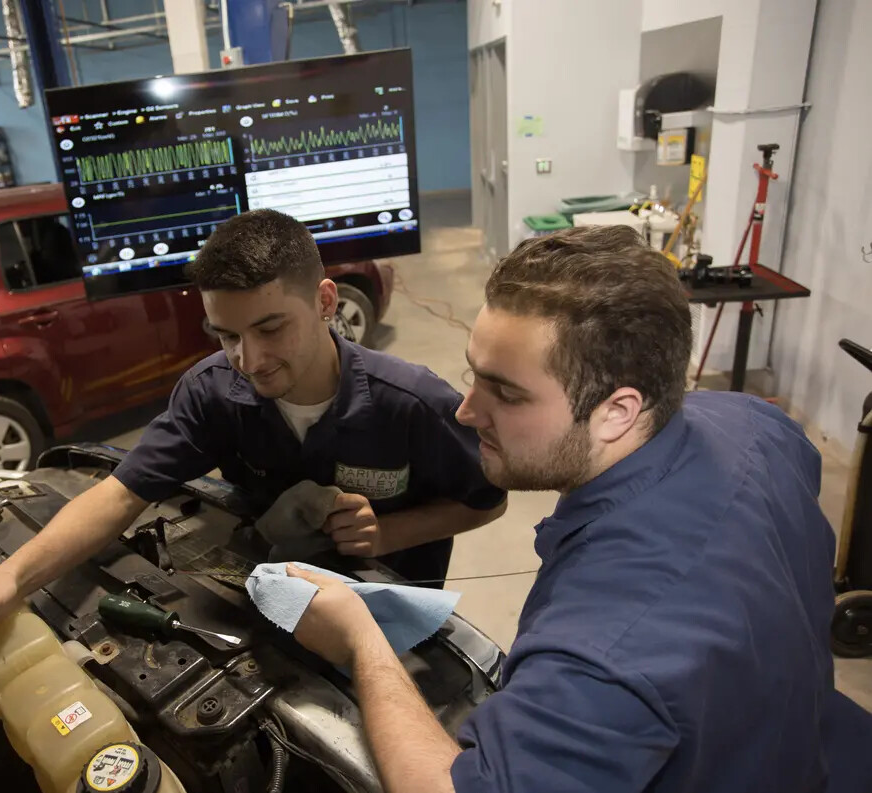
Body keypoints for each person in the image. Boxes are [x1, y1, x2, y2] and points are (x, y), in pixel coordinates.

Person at [287, 225, 872, 793]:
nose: (466, 411)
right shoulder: (757, 423)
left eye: (507, 392)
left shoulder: (604, 650)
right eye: (474, 374)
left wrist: (361, 643)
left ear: (618, 411)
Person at [0, 208, 506, 664]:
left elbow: (488, 500)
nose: (248, 359)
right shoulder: (211, 392)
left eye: (270, 327)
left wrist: (391, 532)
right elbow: (119, 494)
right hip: (267, 610)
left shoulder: (414, 403)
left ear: (325, 302)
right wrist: (5, 582)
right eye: (225, 334)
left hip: (388, 619)